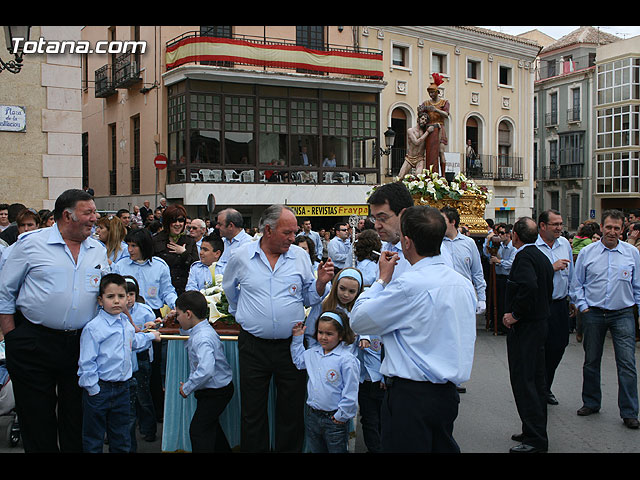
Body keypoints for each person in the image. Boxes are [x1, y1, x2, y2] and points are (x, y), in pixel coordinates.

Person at [350, 205, 477, 453]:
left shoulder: (409, 285)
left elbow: (360, 320)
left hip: (411, 395)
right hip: (446, 395)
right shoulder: (462, 284)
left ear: (407, 242)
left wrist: (381, 281)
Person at [0, 189, 110, 452]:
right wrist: (12, 336)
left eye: (94, 212)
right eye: (89, 212)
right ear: (67, 215)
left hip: (81, 345)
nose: (95, 218)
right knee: (37, 418)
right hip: (34, 342)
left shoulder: (97, 249)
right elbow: (5, 292)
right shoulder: (29, 244)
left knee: (76, 416)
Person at [222, 204, 335, 453]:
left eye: (295, 232)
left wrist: (320, 284)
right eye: (288, 233)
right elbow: (230, 290)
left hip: (291, 346)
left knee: (291, 410)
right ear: (268, 230)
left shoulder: (299, 256)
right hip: (253, 344)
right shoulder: (241, 256)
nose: (293, 238)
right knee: (253, 411)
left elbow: (308, 298)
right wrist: (244, 314)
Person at [570, 209, 640, 429]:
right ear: (602, 228)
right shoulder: (588, 253)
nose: (612, 232)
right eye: (608, 227)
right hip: (594, 313)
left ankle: (629, 412)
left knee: (627, 363)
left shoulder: (632, 253)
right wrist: (583, 307)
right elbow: (576, 284)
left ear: (622, 230)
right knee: (591, 360)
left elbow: (638, 286)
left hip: (623, 313)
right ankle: (591, 402)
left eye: (617, 228)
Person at [78, 274, 160, 453]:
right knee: (94, 437)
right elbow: (86, 362)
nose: (116, 301)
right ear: (100, 300)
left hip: (123, 388)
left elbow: (134, 343)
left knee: (122, 436)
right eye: (110, 297)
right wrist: (93, 388)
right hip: (100, 389)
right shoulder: (94, 327)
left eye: (121, 296)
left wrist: (150, 336)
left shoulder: (126, 323)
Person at [502, 217, 554, 453]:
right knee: (536, 379)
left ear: (515, 235)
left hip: (528, 328)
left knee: (526, 381)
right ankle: (532, 428)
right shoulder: (541, 257)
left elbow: (529, 287)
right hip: (539, 324)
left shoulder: (524, 257)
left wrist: (515, 314)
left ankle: (534, 439)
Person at [291, 310, 360, 453]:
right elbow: (298, 361)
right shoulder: (312, 353)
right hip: (313, 416)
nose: (323, 337)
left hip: (335, 420)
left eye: (329, 334)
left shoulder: (346, 360)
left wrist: (342, 415)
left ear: (340, 335)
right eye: (320, 332)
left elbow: (351, 390)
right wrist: (298, 338)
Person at [176, 290, 235, 452]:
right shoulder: (201, 329)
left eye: (178, 314)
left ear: (188, 314)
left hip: (216, 392)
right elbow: (188, 330)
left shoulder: (201, 338)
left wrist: (187, 387)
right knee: (210, 428)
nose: (177, 318)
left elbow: (206, 370)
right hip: (215, 390)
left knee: (198, 431)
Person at [535, 210, 575, 406]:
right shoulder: (532, 246)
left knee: (558, 346)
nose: (559, 228)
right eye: (555, 224)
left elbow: (573, 275)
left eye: (561, 224)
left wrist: (573, 299)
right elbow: (527, 274)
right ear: (543, 226)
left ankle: (546, 385)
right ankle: (538, 389)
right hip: (539, 305)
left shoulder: (565, 244)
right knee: (539, 349)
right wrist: (551, 267)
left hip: (559, 304)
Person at [123, 275, 160, 443]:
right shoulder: (114, 313)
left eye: (131, 294)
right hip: (123, 359)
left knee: (143, 396)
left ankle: (148, 428)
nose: (128, 299)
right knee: (124, 400)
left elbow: (156, 330)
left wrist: (152, 327)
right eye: (125, 294)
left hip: (141, 357)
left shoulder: (145, 311)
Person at [152, 204, 199, 296]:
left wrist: (184, 253)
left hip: (184, 291)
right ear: (167, 222)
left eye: (181, 220)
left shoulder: (189, 241)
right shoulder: (155, 240)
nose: (177, 224)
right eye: (174, 220)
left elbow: (196, 266)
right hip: (161, 291)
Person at [486, 223, 516, 334]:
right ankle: (496, 323)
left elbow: (511, 263)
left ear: (509, 235)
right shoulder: (500, 246)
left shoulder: (513, 247)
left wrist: (499, 261)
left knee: (504, 303)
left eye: (502, 233)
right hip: (498, 277)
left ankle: (504, 326)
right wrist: (489, 243)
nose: (500, 236)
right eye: (499, 233)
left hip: (506, 278)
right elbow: (489, 253)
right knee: (496, 301)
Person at [419, 72, 450, 175]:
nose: (431, 95)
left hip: (440, 128)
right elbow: (421, 114)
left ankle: (443, 175)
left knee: (441, 151)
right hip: (429, 129)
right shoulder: (426, 103)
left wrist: (436, 110)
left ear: (437, 92)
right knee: (427, 152)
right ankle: (427, 173)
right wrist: (420, 111)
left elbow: (446, 114)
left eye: (432, 92)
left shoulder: (444, 102)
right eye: (430, 93)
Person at [397, 110, 435, 178]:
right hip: (410, 158)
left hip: (419, 158)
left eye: (426, 120)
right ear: (418, 119)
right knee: (400, 176)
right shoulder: (411, 130)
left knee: (418, 176)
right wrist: (428, 132)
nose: (424, 121)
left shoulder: (424, 132)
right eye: (422, 119)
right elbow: (416, 142)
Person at [215, 208, 252, 275]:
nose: (217, 227)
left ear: (231, 226)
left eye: (220, 224)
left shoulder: (249, 244)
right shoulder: (221, 242)